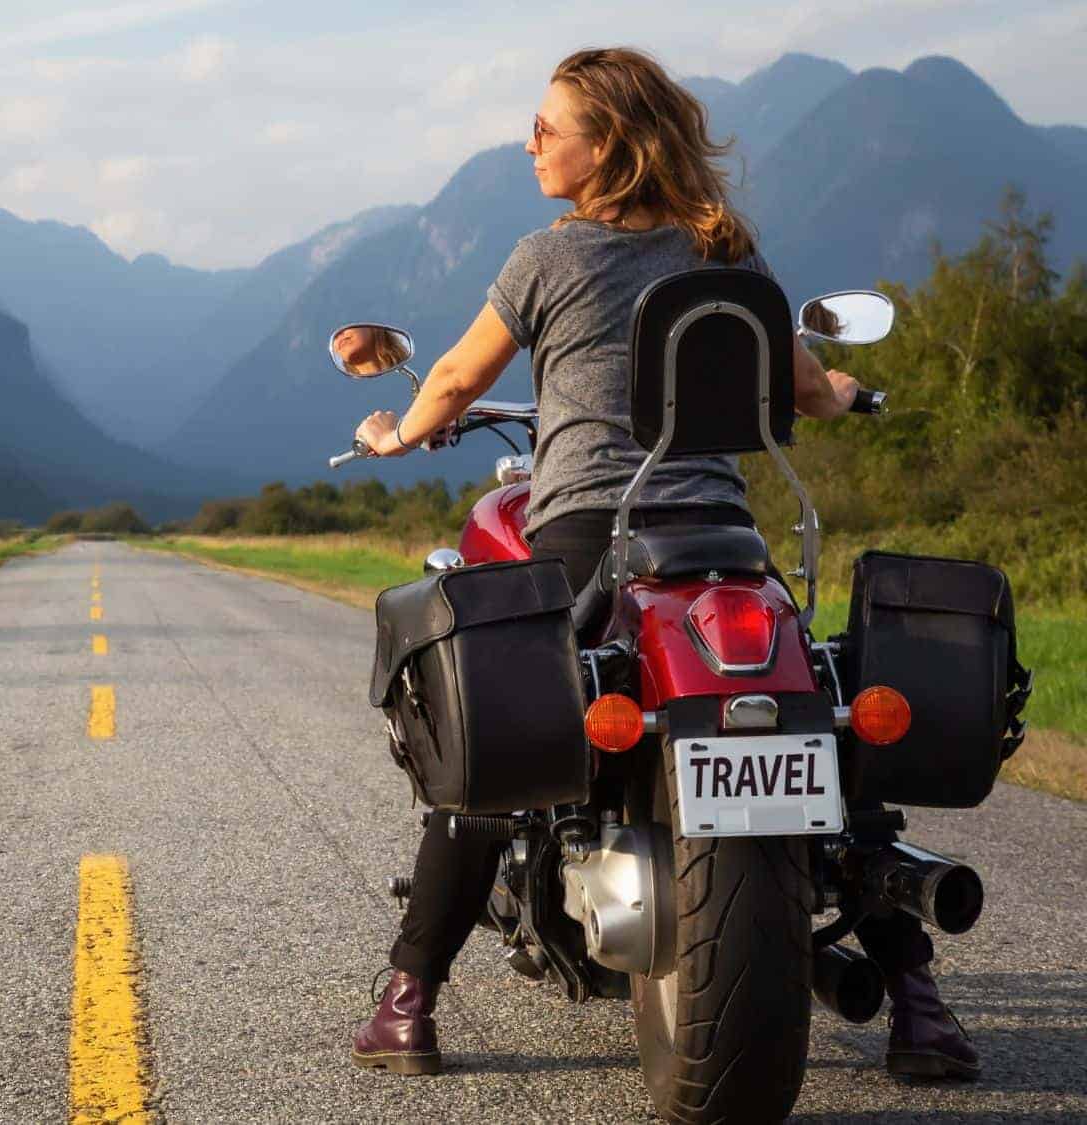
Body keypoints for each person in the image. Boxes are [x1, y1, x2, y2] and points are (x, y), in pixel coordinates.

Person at [346, 46, 979, 1083]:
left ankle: (408, 1006)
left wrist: (391, 435)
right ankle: (918, 1005)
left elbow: (456, 378)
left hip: (589, 531)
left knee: (501, 742)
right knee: (817, 737)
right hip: (723, 544)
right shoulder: (722, 251)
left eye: (548, 126)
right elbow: (808, 390)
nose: (529, 141)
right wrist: (847, 389)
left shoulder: (547, 256)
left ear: (610, 144)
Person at [332, 325, 409, 376]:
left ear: (373, 327)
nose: (337, 335)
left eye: (346, 324)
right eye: (332, 336)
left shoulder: (410, 376)